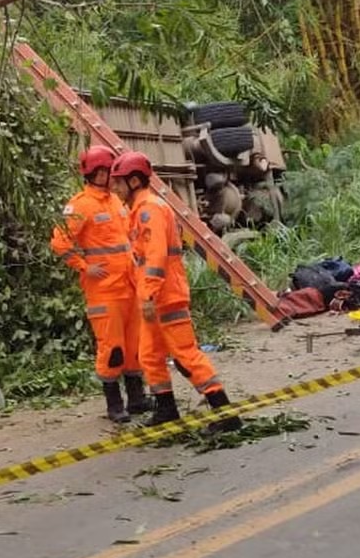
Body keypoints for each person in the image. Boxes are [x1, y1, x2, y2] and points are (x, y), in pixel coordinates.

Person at [108, 151, 241, 432]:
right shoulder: (139, 210)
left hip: (164, 296)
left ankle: (226, 414)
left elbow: (155, 258)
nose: (114, 188)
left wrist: (148, 294)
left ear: (133, 181)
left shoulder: (150, 210)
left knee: (185, 355)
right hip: (154, 297)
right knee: (149, 356)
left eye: (118, 182)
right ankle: (167, 410)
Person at [51, 146, 149, 421]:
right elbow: (60, 241)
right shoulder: (81, 205)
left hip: (129, 285)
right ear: (96, 173)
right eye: (109, 171)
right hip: (104, 290)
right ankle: (114, 405)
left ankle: (137, 399)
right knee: (112, 348)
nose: (113, 177)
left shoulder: (116, 201)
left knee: (134, 346)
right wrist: (84, 266)